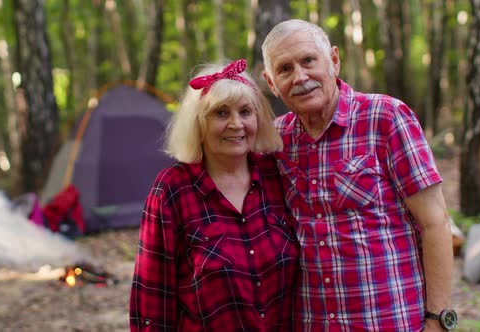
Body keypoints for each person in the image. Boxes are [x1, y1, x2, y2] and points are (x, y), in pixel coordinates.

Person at [261, 19, 455, 331]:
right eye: (284, 69)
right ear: (271, 83)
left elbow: (436, 222)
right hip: (312, 322)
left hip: (389, 321)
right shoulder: (275, 141)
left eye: (308, 60)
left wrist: (438, 320)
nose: (300, 77)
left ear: (334, 60)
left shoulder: (387, 117)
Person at [129, 59, 300, 331]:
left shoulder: (276, 175)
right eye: (221, 113)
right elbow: (152, 295)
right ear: (198, 123)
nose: (236, 124)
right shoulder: (173, 189)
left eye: (245, 112)